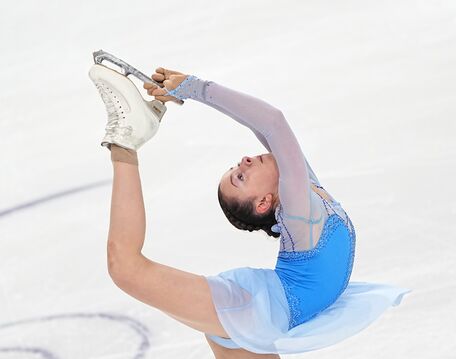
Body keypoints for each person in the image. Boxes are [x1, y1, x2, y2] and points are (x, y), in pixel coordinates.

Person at [89, 63, 411, 358]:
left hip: (260, 317)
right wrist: (194, 87)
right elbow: (273, 122)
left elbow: (262, 128)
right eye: (240, 177)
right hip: (249, 309)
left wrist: (186, 88)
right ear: (264, 203)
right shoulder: (299, 212)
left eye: (235, 169)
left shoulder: (305, 185)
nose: (243, 161)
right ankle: (125, 140)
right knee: (125, 267)